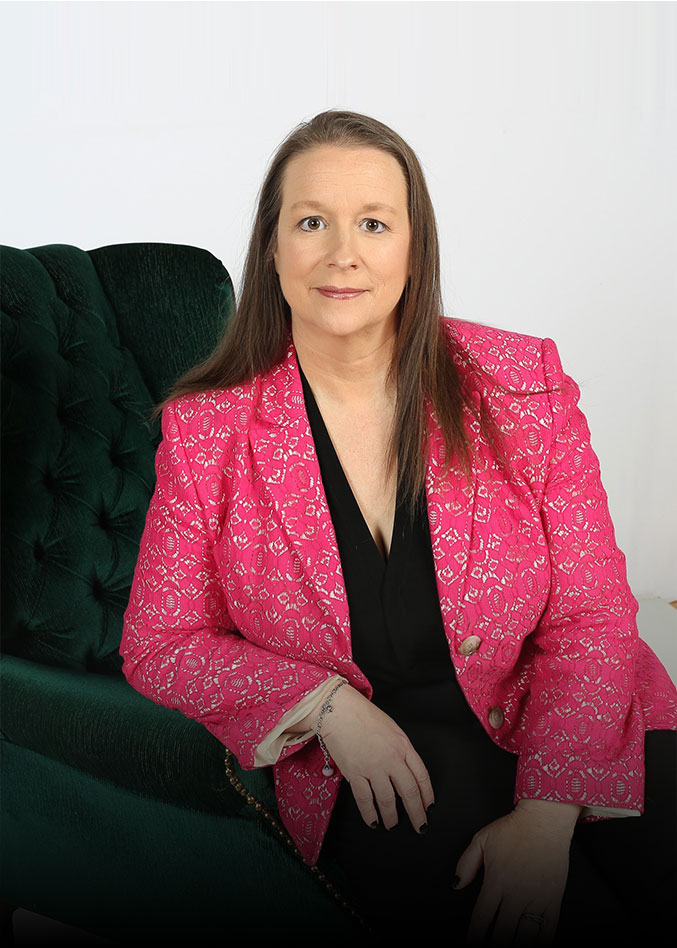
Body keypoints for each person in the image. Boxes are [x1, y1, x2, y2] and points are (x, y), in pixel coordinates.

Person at [120, 109, 677, 947]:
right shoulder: (207, 432)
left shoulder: (521, 384)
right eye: (312, 222)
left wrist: (549, 809)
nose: (342, 253)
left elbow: (590, 615)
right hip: (390, 765)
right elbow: (160, 643)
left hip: (571, 713)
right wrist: (323, 706)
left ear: (415, 249)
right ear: (271, 248)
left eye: (374, 224)